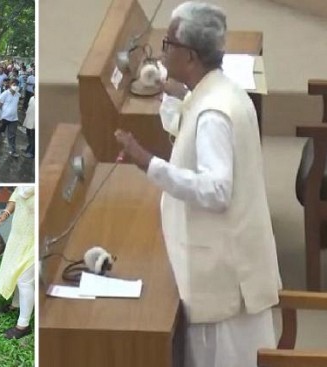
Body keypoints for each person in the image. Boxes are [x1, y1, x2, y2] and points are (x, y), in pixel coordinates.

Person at [114, 3, 281, 367]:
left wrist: (148, 162)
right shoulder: (218, 91)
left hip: (223, 280)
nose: (161, 52)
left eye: (167, 43)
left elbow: (216, 190)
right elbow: (188, 127)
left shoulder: (213, 113)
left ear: (188, 55)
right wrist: (173, 95)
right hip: (232, 262)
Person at [0, 186, 35, 339]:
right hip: (19, 236)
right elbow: (16, 198)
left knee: (25, 279)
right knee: (17, 272)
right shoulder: (25, 185)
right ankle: (15, 305)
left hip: (36, 240)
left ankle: (23, 325)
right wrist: (5, 214)